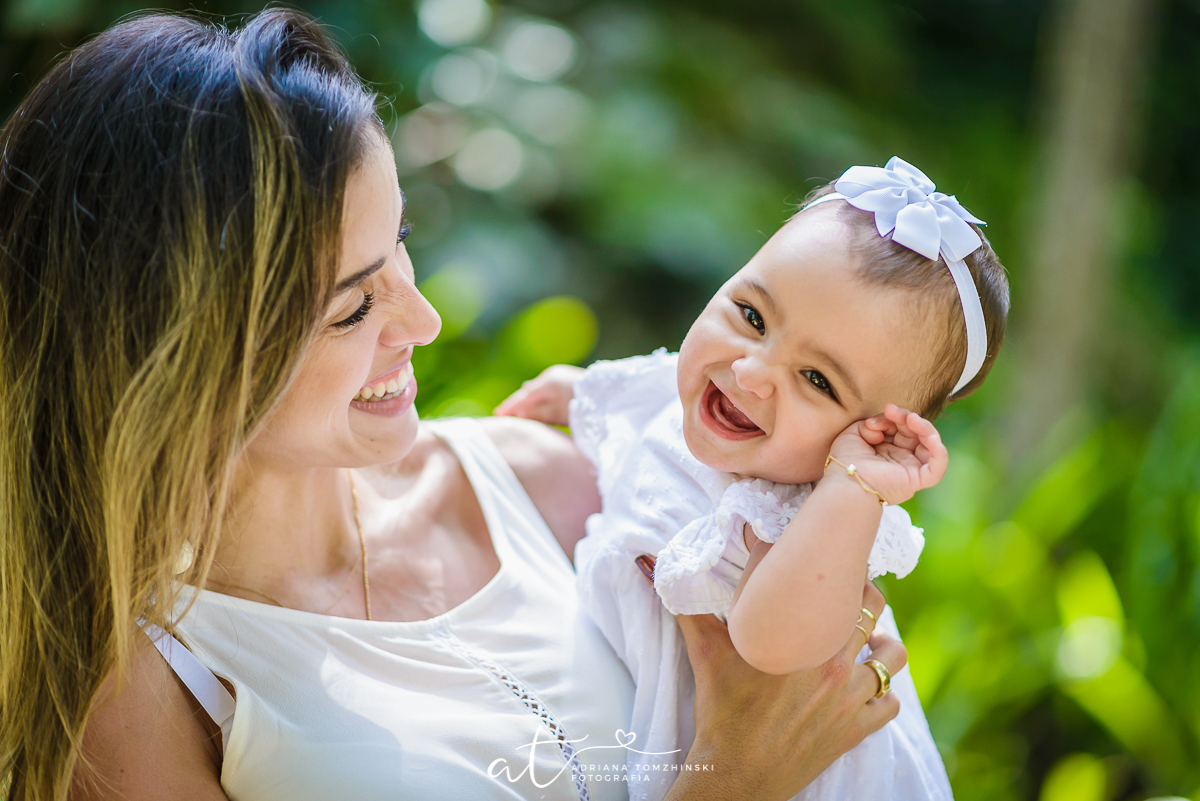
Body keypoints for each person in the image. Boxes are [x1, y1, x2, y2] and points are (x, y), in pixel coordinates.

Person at [0, 9, 908, 801]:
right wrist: (732, 785)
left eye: (400, 239)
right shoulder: (131, 696)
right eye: (354, 305)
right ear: (176, 352)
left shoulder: (556, 485)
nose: (424, 320)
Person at [497, 158, 1010, 800]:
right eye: (752, 316)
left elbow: (774, 647)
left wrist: (854, 487)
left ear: (873, 433)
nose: (753, 371)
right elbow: (655, 391)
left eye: (818, 380)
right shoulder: (687, 398)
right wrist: (579, 394)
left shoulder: (800, 519)